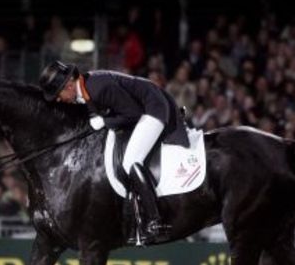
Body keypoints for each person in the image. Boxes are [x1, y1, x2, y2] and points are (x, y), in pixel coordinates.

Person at [38, 60, 189, 243]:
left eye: (57, 94)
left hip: (152, 108)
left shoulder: (98, 87)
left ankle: (155, 220)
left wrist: (105, 121)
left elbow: (133, 114)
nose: (58, 99)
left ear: (69, 85)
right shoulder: (83, 90)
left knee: (131, 160)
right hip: (140, 109)